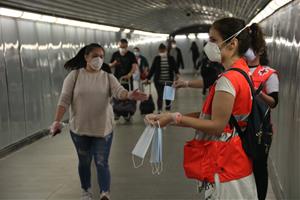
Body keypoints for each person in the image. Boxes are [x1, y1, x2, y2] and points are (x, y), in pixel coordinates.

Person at [145, 18, 258, 199]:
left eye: (213, 40)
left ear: (232, 44)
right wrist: (169, 117)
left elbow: (217, 125)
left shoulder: (227, 80)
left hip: (225, 166)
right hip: (236, 162)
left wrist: (175, 118)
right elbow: (212, 116)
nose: (208, 44)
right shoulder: (242, 72)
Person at [50, 43, 147, 200]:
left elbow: (119, 92)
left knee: (101, 162)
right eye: (95, 56)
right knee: (84, 162)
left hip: (103, 129)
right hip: (80, 129)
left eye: (101, 56)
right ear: (86, 57)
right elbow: (64, 100)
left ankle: (104, 193)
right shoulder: (74, 76)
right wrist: (56, 121)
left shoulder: (107, 77)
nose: (99, 59)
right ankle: (86, 191)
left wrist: (129, 95)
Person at [244, 23, 279, 200]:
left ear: (259, 51)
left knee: (259, 167)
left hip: (260, 130)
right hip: (239, 128)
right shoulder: (236, 71)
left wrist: (259, 94)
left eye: (250, 49)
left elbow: (274, 102)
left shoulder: (268, 74)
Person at [145, 43, 179, 113]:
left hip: (169, 80)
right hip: (158, 81)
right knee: (160, 95)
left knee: (168, 96)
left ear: (166, 50)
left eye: (163, 50)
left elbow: (175, 67)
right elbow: (152, 69)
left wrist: (177, 73)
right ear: (159, 50)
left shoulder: (171, 58)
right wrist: (147, 78)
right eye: (160, 51)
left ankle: (168, 107)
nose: (162, 52)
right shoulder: (156, 58)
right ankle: (159, 110)